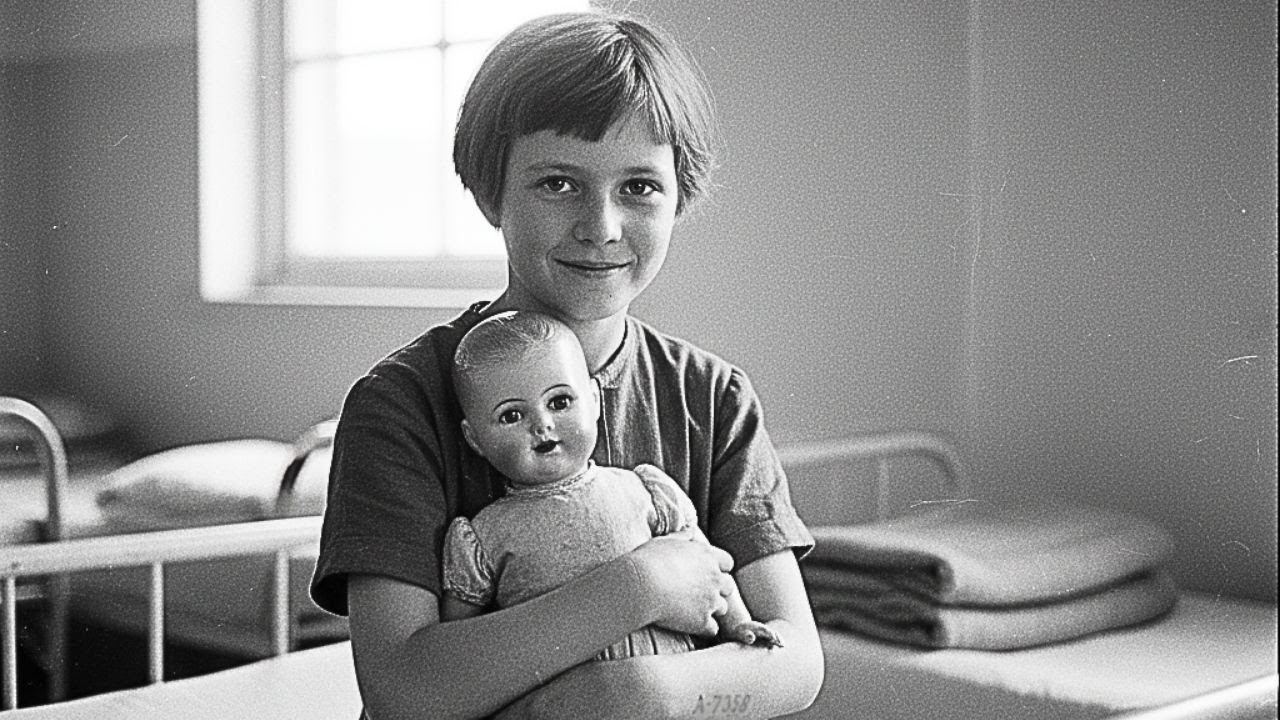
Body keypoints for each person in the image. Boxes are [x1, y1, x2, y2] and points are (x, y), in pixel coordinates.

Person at [311, 10, 823, 720]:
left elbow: (797, 663)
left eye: (639, 187)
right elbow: (404, 688)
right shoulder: (401, 404)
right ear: (491, 193)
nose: (601, 227)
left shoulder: (712, 397)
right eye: (558, 183)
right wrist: (640, 586)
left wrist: (628, 693)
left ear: (680, 197)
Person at [442, 310, 782, 658]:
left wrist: (738, 623)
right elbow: (455, 644)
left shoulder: (644, 492)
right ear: (475, 439)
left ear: (594, 400)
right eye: (511, 415)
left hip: (680, 677)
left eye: (559, 402)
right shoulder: (484, 536)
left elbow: (707, 566)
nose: (542, 424)